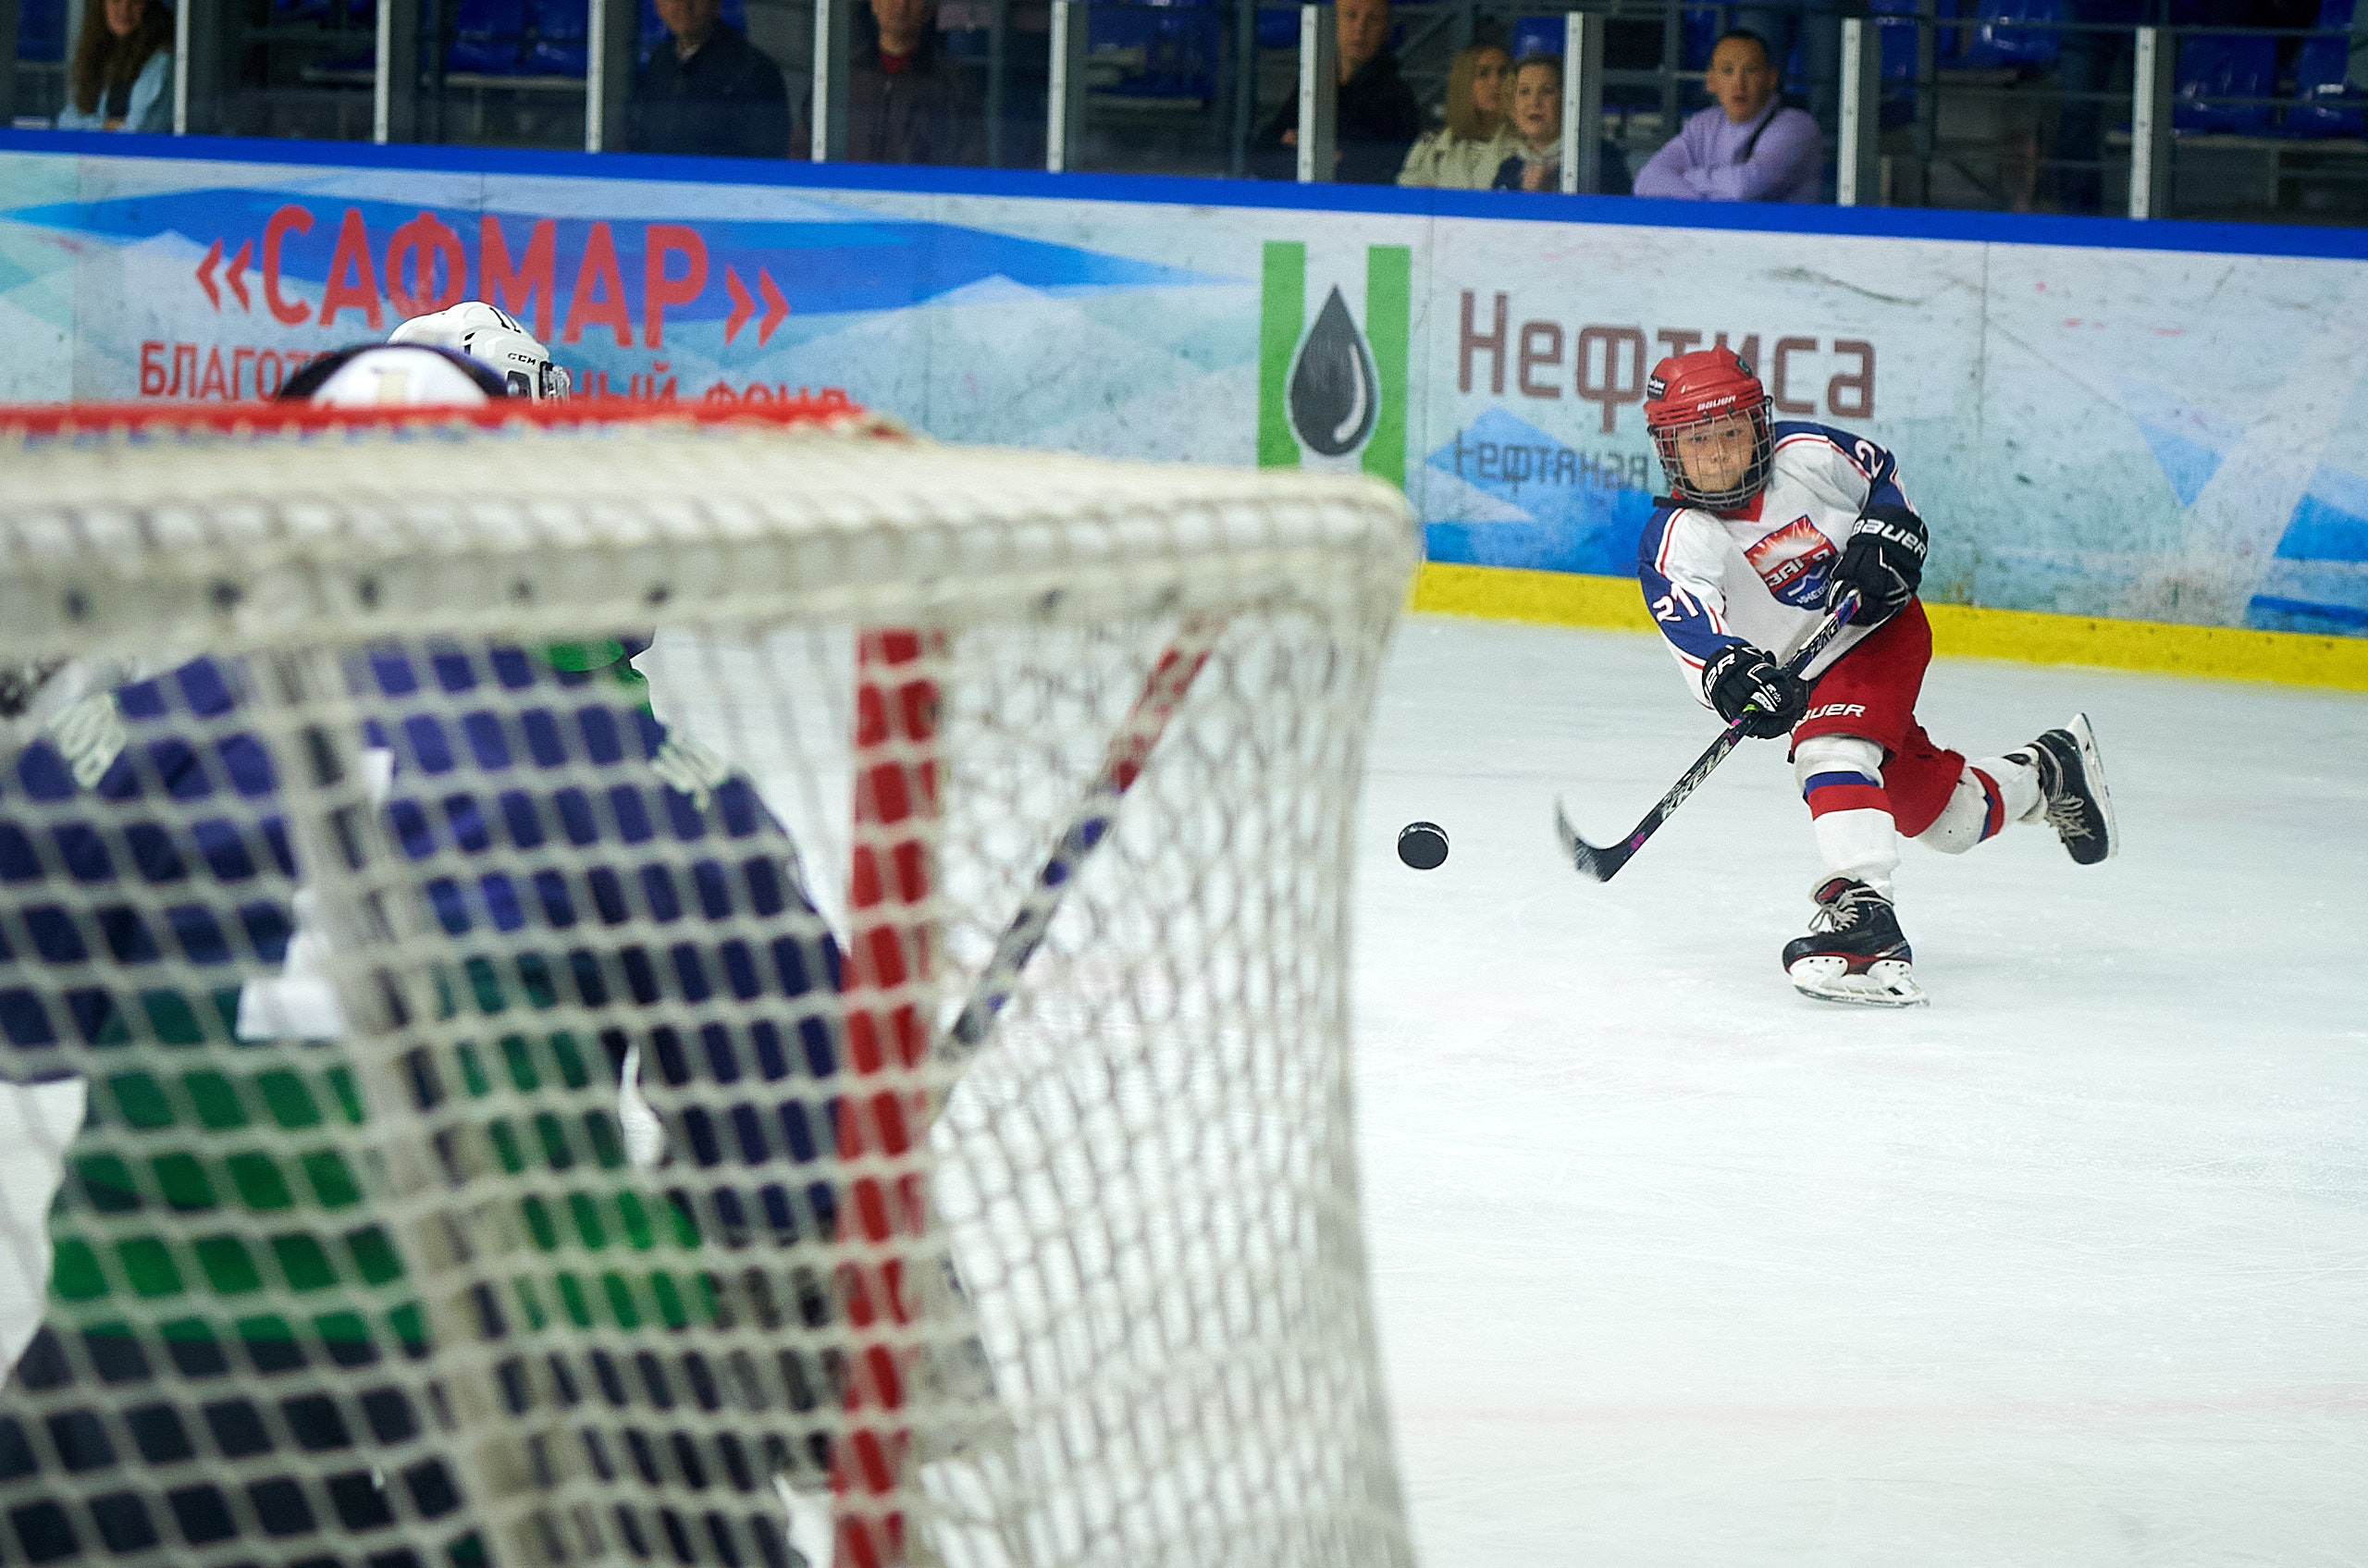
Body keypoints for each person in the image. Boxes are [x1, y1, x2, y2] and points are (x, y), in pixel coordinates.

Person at [1634, 349, 2117, 1007]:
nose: (1717, 454)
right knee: (1947, 819)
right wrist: (1734, 676)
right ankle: (2047, 773)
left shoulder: (1806, 453)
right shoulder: (1677, 538)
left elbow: (1882, 479)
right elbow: (1696, 634)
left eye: (1730, 432)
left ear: (1759, 424)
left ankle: (1867, 922)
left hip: (1877, 632)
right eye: (1696, 439)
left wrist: (1890, 530)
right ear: (1668, 448)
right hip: (1809, 675)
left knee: (1830, 751)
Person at [1632, 29, 1820, 204]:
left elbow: (1743, 188)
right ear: (1711, 81)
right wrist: (1706, 203)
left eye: (1751, 70)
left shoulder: (1797, 126)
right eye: (1728, 71)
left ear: (1771, 78)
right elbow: (1647, 180)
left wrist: (1687, 176)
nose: (1738, 83)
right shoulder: (1703, 124)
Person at [1251, 0, 1422, 184]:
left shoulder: (1396, 97)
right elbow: (1262, 155)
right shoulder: (1313, 83)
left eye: (1373, 18)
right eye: (1351, 16)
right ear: (1334, 22)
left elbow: (1388, 168)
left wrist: (1323, 155)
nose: (1360, 28)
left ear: (1387, 30)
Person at [626, 0, 793, 159]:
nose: (684, 5)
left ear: (716, 3)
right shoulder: (658, 62)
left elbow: (766, 153)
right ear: (657, 5)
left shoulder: (753, 69)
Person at [835, 0, 987, 166]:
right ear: (875, 5)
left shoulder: (953, 82)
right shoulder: (843, 76)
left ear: (927, 11)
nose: (901, 4)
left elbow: (972, 156)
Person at [1397, 43, 1520, 189]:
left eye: (1503, 72)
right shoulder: (1430, 145)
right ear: (1464, 83)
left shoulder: (1528, 145)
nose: (1496, 81)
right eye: (1483, 73)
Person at [55, 0, 172, 133]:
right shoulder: (103, 55)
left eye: (134, 1)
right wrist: (105, 125)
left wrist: (93, 126)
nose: (124, 9)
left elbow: (136, 131)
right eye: (116, 1)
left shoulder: (160, 62)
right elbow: (65, 121)